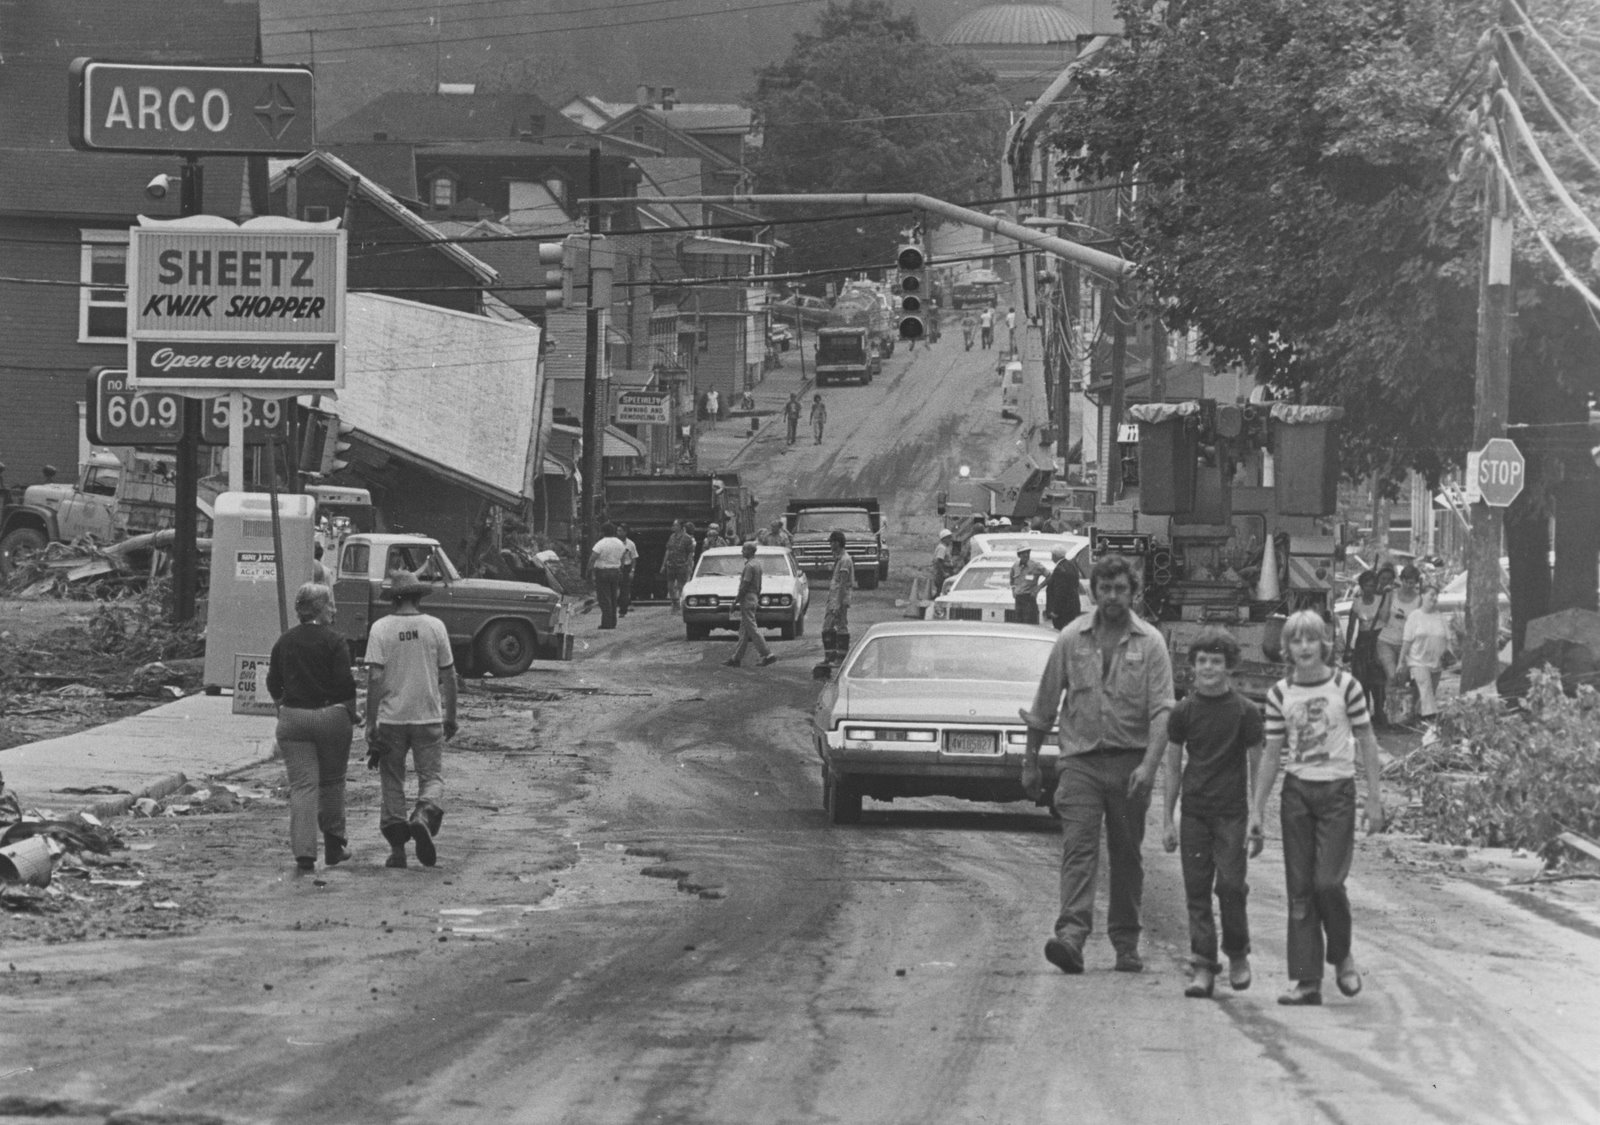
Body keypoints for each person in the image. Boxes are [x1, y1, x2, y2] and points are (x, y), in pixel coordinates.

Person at [1022, 553, 1174, 975]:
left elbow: (1163, 710)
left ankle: (1126, 943)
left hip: (1130, 765)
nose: (1112, 597)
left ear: (1133, 593)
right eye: (1104, 589)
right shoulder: (1071, 639)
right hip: (1080, 764)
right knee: (1078, 850)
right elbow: (1044, 705)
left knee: (1127, 855)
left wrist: (1149, 765)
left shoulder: (1152, 644)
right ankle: (1071, 937)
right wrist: (1030, 761)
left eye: (1120, 589)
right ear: (1092, 592)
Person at [1252, 610, 1386, 1006]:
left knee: (1328, 882)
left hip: (1337, 793)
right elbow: (1272, 754)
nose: (1305, 647)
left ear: (1324, 644)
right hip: (1297, 795)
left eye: (1312, 639)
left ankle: (1342, 954)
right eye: (1296, 641)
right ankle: (1307, 980)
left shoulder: (1346, 687)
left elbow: (1367, 740)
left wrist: (1374, 798)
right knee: (1300, 890)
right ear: (1287, 649)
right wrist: (1256, 810)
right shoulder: (1279, 694)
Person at [1161, 628, 1266, 999]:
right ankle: (1203, 965)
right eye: (1202, 660)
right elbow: (1172, 768)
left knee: (1231, 886)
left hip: (1232, 815)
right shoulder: (1183, 712)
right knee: (1197, 890)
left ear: (1230, 668)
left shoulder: (1246, 712)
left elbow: (1259, 768)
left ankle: (1238, 953)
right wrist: (1166, 820)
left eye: (1216, 661)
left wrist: (1258, 815)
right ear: (1192, 666)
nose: (1208, 667)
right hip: (1194, 815)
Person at [364, 570, 459, 869]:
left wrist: (371, 721)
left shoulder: (380, 628)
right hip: (427, 717)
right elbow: (449, 675)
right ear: (418, 596)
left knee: (392, 780)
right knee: (431, 777)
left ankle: (398, 852)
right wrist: (451, 716)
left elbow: (375, 678)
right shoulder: (435, 627)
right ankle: (423, 814)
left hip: (392, 720)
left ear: (393, 599)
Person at [267, 582, 359, 873]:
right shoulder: (335, 641)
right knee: (332, 782)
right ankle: (334, 846)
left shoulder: (284, 641)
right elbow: (345, 684)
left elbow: (273, 682)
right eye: (330, 603)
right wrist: (349, 711)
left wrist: (282, 703)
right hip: (330, 717)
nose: (334, 609)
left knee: (303, 786)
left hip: (293, 719)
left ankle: (305, 855)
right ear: (320, 608)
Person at [1398, 583, 1452, 724]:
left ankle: (1415, 716)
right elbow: (1406, 641)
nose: (1434, 598)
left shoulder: (1440, 616)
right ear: (1422, 595)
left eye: (1436, 596)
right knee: (1425, 687)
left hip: (1436, 661)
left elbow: (1448, 638)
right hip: (1417, 660)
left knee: (1428, 692)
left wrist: (1449, 655)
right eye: (1431, 595)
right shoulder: (1414, 616)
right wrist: (1401, 661)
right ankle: (1432, 718)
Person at [1375, 564, 1422, 723]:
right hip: (1386, 641)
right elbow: (1382, 617)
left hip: (1406, 644)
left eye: (1413, 582)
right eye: (1407, 581)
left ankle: (1400, 717)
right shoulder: (1392, 594)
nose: (1409, 585)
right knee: (1392, 675)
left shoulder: (1418, 599)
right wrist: (1387, 597)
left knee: (1403, 678)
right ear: (1401, 580)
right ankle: (1390, 715)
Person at [1342, 570, 1388, 725]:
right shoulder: (1356, 603)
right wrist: (1348, 647)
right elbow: (1350, 626)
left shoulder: (1381, 600)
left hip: (1379, 641)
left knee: (1378, 680)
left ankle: (1380, 712)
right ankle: (1364, 713)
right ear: (1361, 586)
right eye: (1367, 585)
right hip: (1362, 644)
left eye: (1373, 585)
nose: (1370, 588)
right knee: (1362, 680)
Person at [725, 541, 777, 668]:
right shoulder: (757, 564)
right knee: (744, 630)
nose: (742, 552)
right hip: (753, 597)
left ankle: (768, 654)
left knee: (752, 628)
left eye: (744, 550)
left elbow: (744, 586)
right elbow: (759, 585)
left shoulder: (749, 566)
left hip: (747, 598)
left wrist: (735, 601)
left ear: (750, 551)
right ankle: (736, 658)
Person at [822, 529, 855, 667]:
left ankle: (841, 658)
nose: (830, 545)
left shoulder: (845, 560)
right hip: (834, 599)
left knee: (840, 627)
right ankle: (831, 656)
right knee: (828, 627)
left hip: (839, 600)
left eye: (832, 543)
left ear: (838, 543)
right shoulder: (839, 559)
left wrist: (837, 604)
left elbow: (842, 585)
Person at [590, 522, 626, 630]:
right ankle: (613, 622)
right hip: (615, 571)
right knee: (613, 597)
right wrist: (621, 568)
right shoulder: (620, 543)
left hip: (603, 572)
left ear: (603, 532)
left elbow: (593, 558)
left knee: (604, 598)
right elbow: (623, 557)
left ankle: (606, 623)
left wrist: (589, 570)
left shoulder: (601, 543)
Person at [1044, 543, 1082, 630]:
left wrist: (1055, 611)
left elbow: (1060, 592)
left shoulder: (1059, 569)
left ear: (1055, 555)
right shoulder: (1072, 565)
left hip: (1062, 612)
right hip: (1073, 608)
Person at [1009, 545, 1049, 626]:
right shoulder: (1015, 566)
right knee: (1018, 624)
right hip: (1019, 599)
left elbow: (1049, 576)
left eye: (1028, 553)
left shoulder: (1035, 565)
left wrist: (1039, 588)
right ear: (1019, 555)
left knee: (1030, 624)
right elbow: (1012, 579)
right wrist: (1013, 590)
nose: (1026, 555)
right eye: (1023, 553)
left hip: (1029, 598)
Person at [660, 519, 695, 609]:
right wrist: (663, 565)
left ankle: (681, 603)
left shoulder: (687, 538)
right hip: (671, 565)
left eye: (675, 525)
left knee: (681, 585)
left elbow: (690, 553)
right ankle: (674, 602)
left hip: (681, 565)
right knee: (670, 586)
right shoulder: (672, 537)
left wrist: (688, 565)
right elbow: (668, 550)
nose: (673, 527)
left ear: (680, 527)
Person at [617, 523, 638, 617]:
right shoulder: (615, 542)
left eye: (620, 531)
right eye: (617, 531)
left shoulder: (631, 544)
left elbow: (633, 558)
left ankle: (623, 610)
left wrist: (632, 570)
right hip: (616, 567)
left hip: (626, 567)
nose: (618, 533)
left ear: (625, 532)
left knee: (624, 590)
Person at [931, 528, 957, 595]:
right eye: (949, 538)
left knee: (942, 592)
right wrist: (944, 573)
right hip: (942, 575)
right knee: (941, 592)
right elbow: (938, 561)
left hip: (944, 573)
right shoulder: (941, 548)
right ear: (944, 539)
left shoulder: (944, 547)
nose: (950, 540)